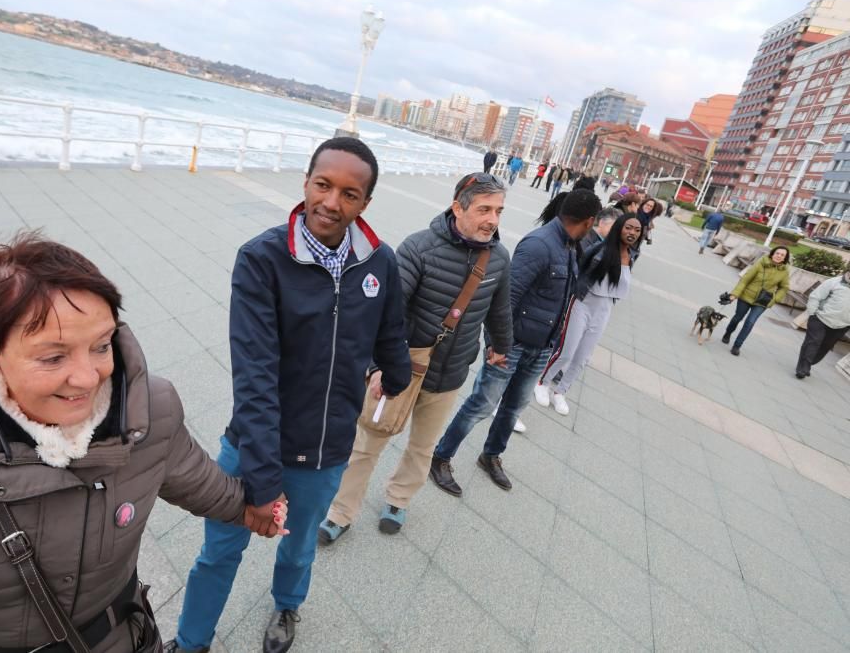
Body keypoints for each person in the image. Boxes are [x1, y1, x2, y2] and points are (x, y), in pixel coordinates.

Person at [0, 233, 284, 652]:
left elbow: (196, 480)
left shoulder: (147, 409)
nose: (88, 378)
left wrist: (252, 511)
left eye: (100, 346)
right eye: (53, 357)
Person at [171, 138, 412, 653]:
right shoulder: (262, 259)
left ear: (365, 204)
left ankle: (286, 605)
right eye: (323, 185)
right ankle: (191, 643)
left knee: (300, 549)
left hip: (325, 452)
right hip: (254, 447)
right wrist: (261, 482)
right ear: (305, 182)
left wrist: (393, 374)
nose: (331, 202)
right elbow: (254, 378)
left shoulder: (379, 263)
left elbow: (390, 329)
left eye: (350, 194)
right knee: (218, 553)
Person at [319, 172, 513, 543]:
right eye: (485, 209)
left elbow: (499, 311)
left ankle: (398, 499)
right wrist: (377, 367)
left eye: (499, 211)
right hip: (401, 368)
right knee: (367, 443)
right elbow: (386, 312)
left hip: (450, 374)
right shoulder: (418, 248)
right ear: (459, 207)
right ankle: (341, 512)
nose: (493, 219)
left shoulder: (499, 259)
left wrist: (501, 347)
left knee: (422, 447)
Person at [429, 189, 600, 495]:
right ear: (589, 221)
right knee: (481, 404)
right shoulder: (540, 244)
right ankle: (441, 457)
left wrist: (551, 344)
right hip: (512, 345)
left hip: (540, 346)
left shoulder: (571, 246)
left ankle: (491, 455)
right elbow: (505, 299)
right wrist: (497, 345)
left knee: (513, 408)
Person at [535, 214, 642, 414]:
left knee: (582, 357)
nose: (632, 233)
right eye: (628, 228)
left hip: (604, 309)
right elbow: (579, 269)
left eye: (637, 230)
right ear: (619, 227)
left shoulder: (633, 255)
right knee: (566, 351)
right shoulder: (600, 249)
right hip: (582, 303)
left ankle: (560, 392)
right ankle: (542, 382)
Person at [722, 246, 791, 356]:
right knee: (737, 318)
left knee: (750, 322)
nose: (779, 256)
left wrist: (774, 299)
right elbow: (745, 279)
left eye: (782, 255)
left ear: (785, 258)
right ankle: (728, 332)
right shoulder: (761, 263)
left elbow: (784, 287)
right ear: (772, 254)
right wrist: (734, 294)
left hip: (763, 301)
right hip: (746, 296)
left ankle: (737, 345)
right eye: (777, 253)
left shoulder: (784, 271)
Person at [795, 268, 850, 378]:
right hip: (820, 318)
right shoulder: (834, 282)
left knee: (825, 346)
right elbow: (816, 296)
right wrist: (812, 313)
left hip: (842, 325)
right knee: (813, 342)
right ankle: (802, 368)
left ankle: (808, 363)